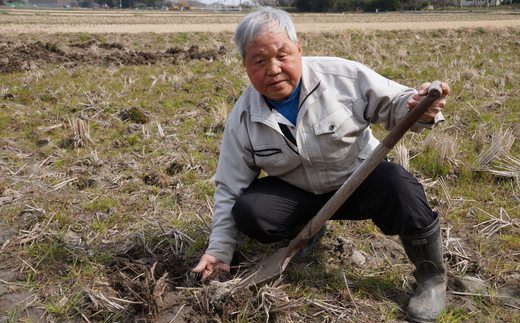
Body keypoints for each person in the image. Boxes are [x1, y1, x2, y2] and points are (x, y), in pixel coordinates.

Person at [192, 7, 450, 323]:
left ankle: (432, 277)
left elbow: (399, 103)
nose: (273, 69)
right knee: (249, 211)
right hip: (300, 195)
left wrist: (421, 107)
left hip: (357, 180)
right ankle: (308, 230)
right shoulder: (243, 117)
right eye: (259, 61)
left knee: (401, 187)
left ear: (299, 49)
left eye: (282, 55)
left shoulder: (343, 77)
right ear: (245, 66)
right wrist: (219, 250)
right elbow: (230, 186)